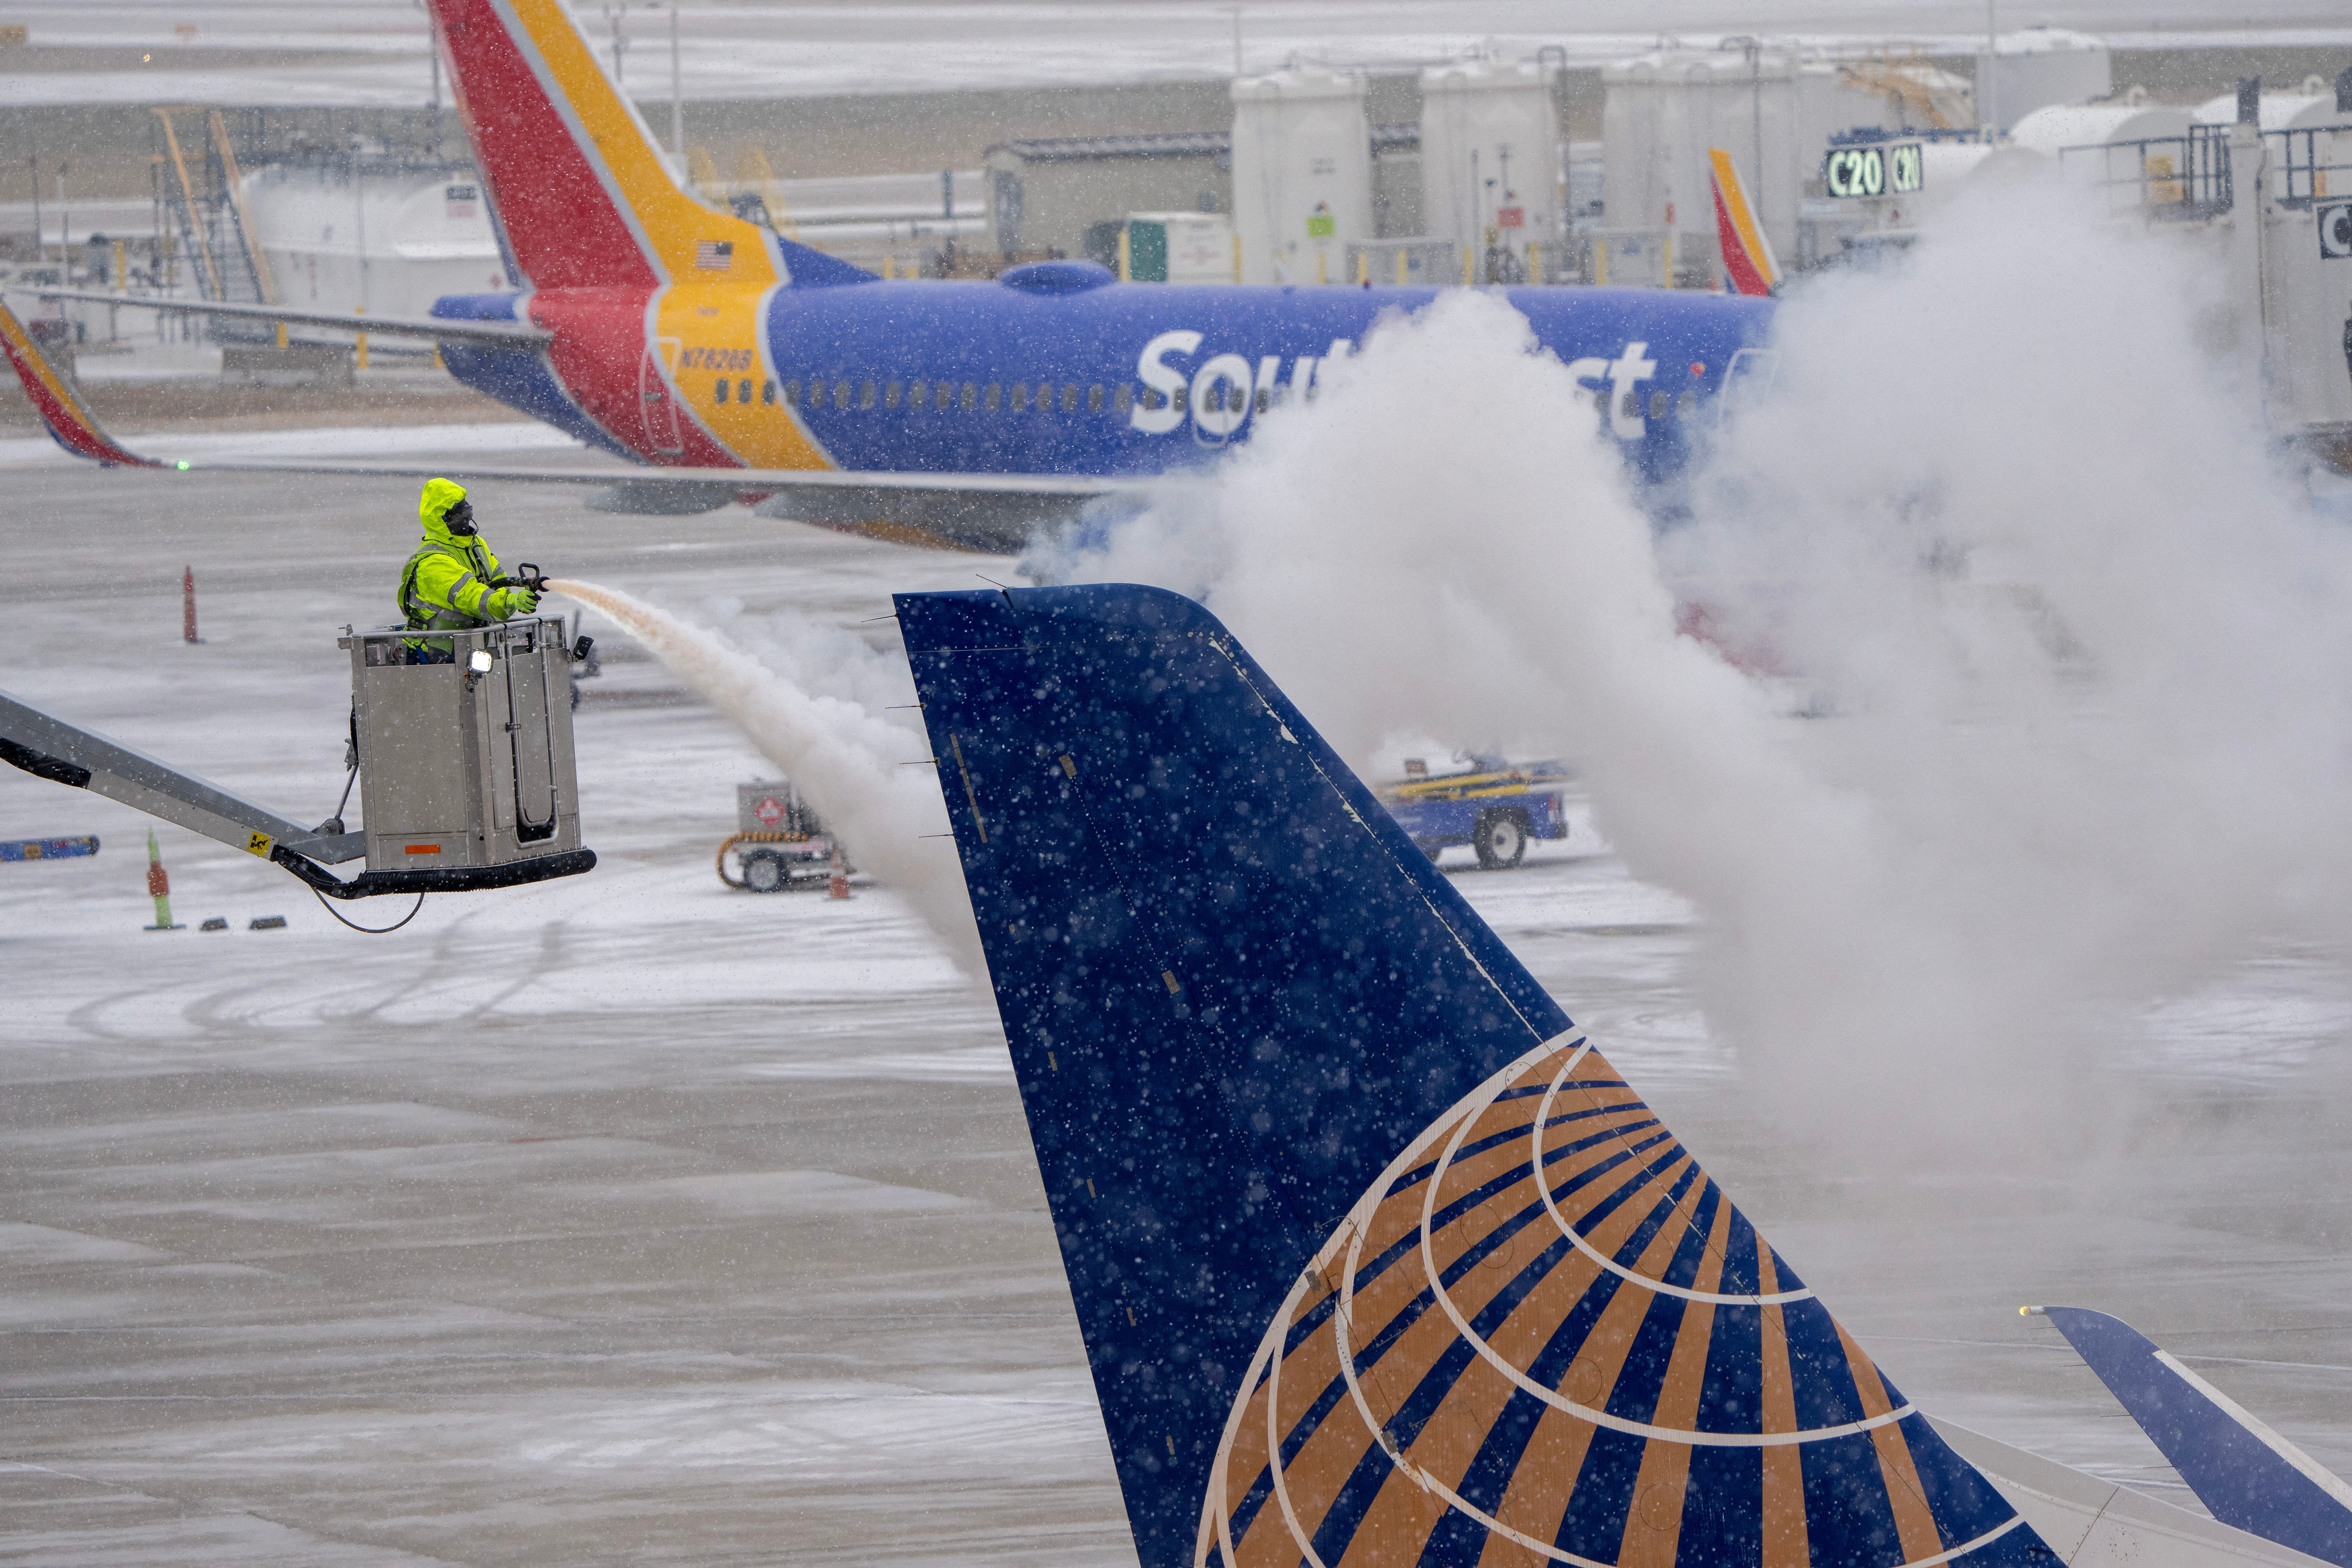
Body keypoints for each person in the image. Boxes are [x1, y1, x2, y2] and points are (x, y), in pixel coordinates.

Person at [399, 478, 539, 662]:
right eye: (459, 516)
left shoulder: (477, 545)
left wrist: (509, 601)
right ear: (441, 520)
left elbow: (499, 582)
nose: (466, 520)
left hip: (471, 648)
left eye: (467, 512)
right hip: (432, 653)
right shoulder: (432, 562)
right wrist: (510, 601)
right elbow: (471, 597)